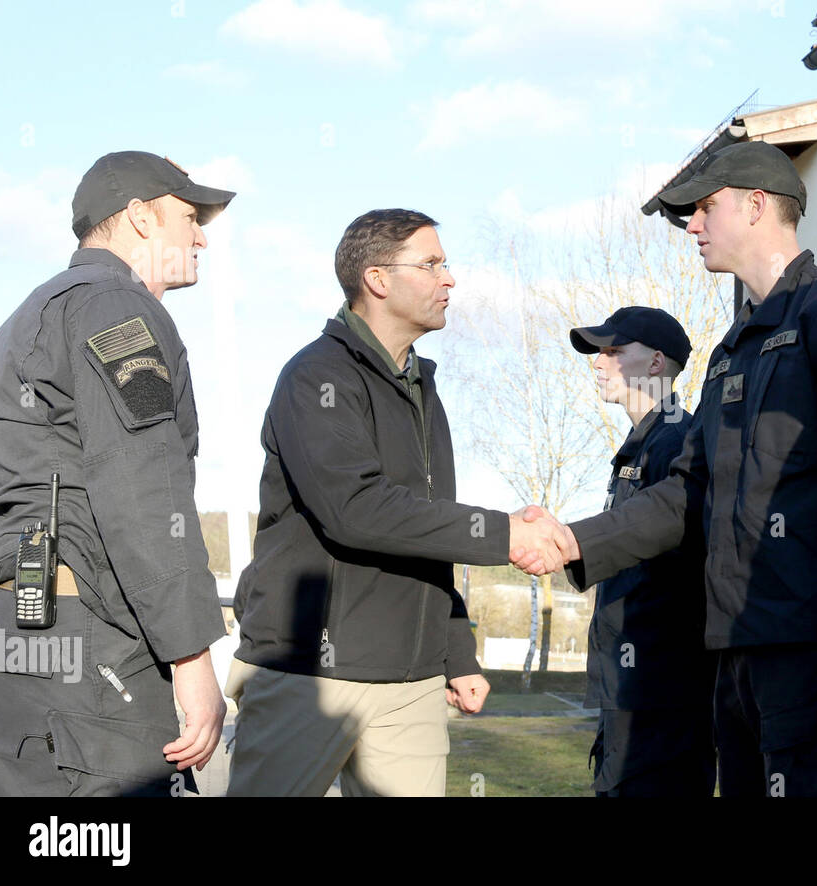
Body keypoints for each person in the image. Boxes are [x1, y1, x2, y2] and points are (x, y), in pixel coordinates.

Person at [518, 142, 817, 797]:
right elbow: (686, 494)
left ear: (758, 205)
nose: (693, 225)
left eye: (707, 208)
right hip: (737, 665)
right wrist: (573, 541)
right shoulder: (732, 354)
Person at [226, 208, 572, 796]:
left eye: (446, 263)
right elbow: (356, 509)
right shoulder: (315, 378)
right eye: (432, 263)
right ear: (378, 280)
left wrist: (456, 649)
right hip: (308, 674)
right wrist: (506, 534)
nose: (450, 279)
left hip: (411, 683)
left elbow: (426, 533)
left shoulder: (422, 388)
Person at [0, 151, 235, 796]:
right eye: (190, 215)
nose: (201, 235)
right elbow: (143, 487)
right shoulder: (116, 309)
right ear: (141, 218)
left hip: (15, 621)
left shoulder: (27, 317)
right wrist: (192, 655)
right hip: (93, 627)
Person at [569, 306, 716, 797]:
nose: (598, 362)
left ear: (656, 364)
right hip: (637, 688)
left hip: (661, 691)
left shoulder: (676, 440)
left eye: (614, 351)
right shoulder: (645, 442)